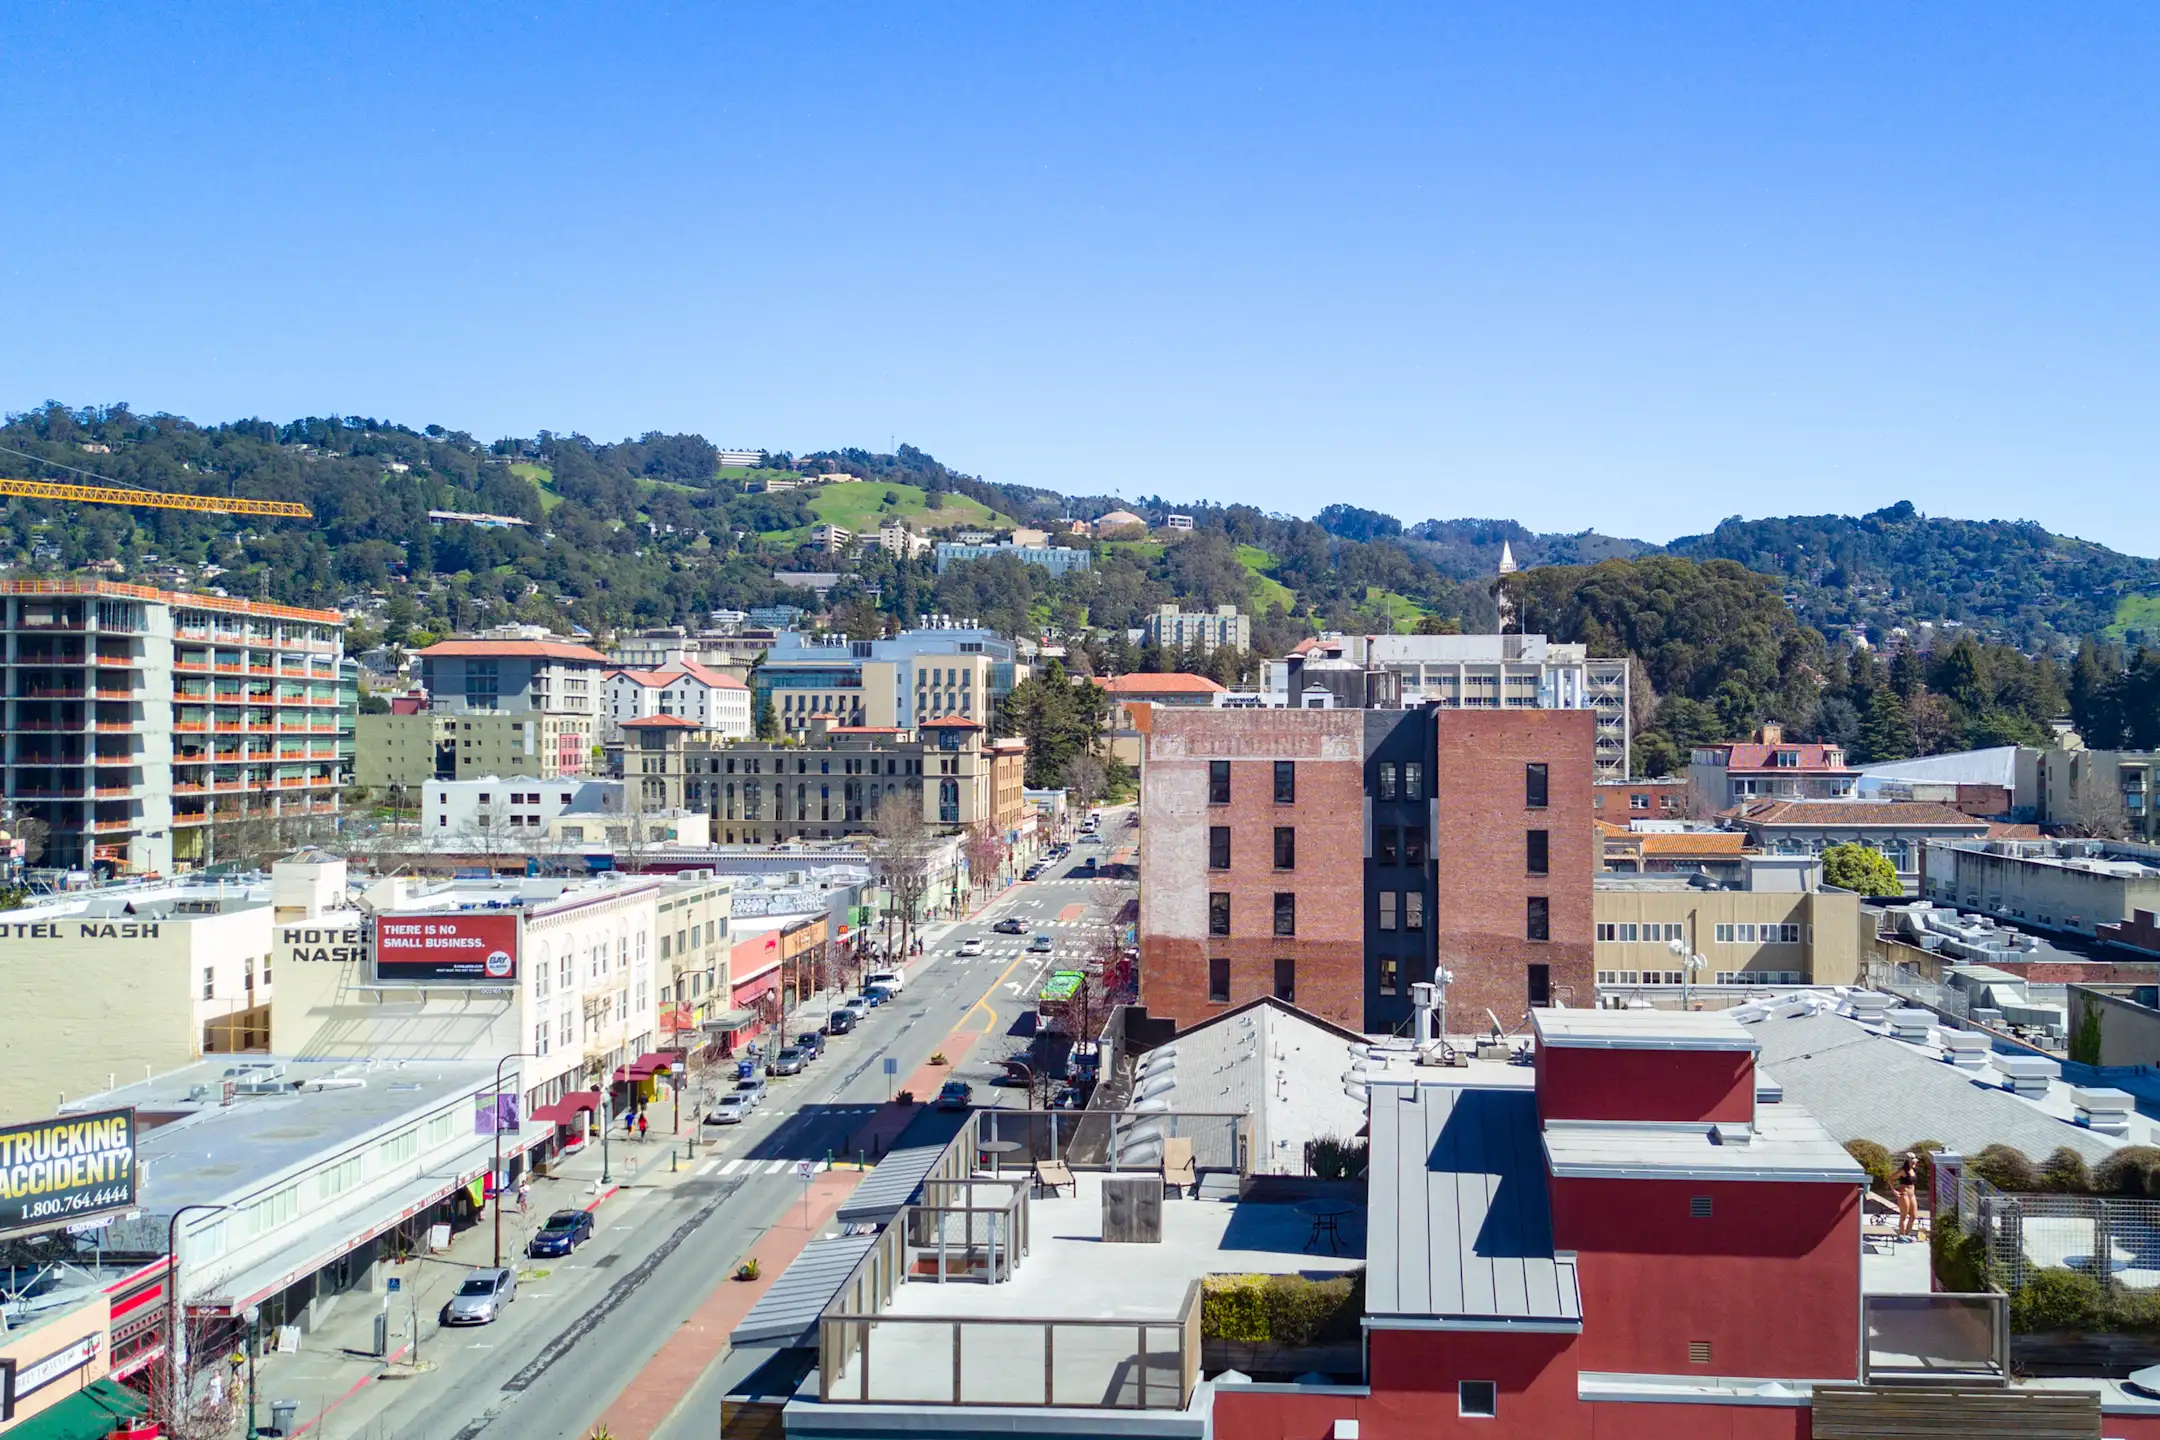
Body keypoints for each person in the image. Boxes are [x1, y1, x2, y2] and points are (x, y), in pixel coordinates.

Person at [1894, 1151, 1921, 1240]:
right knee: (1904, 1215)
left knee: (1914, 1216)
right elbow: (1890, 1179)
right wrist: (1894, 1191)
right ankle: (1901, 1234)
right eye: (1912, 1162)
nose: (1914, 1163)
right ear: (1908, 1162)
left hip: (1912, 1194)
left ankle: (1907, 1234)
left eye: (1915, 1161)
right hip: (1904, 1194)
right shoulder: (1903, 1171)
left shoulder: (1914, 1170)